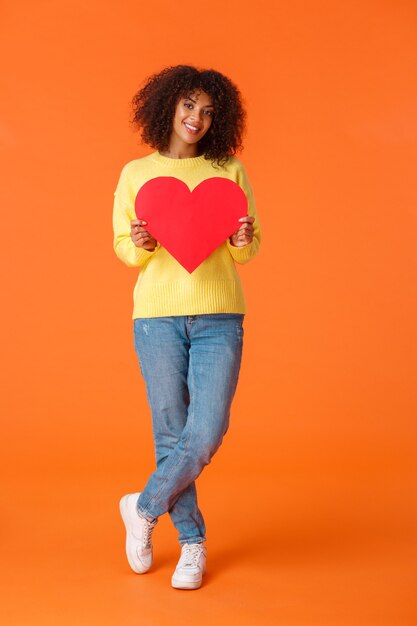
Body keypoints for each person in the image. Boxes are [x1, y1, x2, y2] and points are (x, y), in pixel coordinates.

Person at [113, 65, 261, 590]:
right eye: (189, 105)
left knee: (207, 429)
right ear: (167, 106)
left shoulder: (230, 169)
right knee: (172, 433)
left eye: (207, 110)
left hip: (220, 314)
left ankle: (144, 505)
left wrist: (241, 235)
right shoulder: (136, 173)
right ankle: (192, 544)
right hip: (156, 319)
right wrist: (142, 245)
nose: (196, 118)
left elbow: (249, 250)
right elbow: (124, 250)